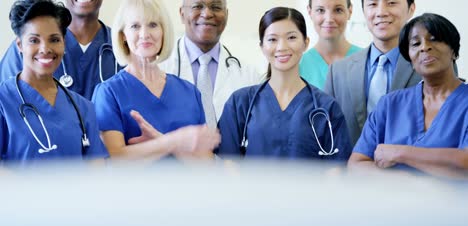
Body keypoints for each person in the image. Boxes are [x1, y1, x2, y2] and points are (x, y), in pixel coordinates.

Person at [216, 7, 352, 161]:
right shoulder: (240, 103)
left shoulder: (326, 108)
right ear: (262, 46)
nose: (282, 47)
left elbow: (335, 169)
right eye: (272, 39)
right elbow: (228, 164)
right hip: (249, 186)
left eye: (291, 37)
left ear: (306, 43)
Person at [91, 0, 220, 160]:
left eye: (153, 25)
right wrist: (173, 142)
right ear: (123, 35)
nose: (145, 34)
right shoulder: (108, 93)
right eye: (135, 26)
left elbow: (206, 164)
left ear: (163, 32)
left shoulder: (189, 92)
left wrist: (162, 142)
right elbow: (114, 160)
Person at [348, 13, 468, 176]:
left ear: (454, 51)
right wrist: (406, 180)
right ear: (410, 60)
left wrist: (399, 153)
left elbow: (465, 163)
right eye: (416, 43)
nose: (424, 47)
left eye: (434, 39)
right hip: (396, 200)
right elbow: (356, 164)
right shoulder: (390, 104)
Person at [0, 0, 108, 163]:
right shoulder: (3, 101)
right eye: (34, 40)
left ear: (64, 42)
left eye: (54, 40)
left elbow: (96, 168)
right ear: (20, 45)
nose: (45, 49)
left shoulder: (83, 108)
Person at [324, 0, 419, 146]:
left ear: (411, 9)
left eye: (392, 3)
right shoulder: (337, 72)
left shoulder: (432, 67)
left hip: (411, 167)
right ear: (363, 11)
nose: (381, 12)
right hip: (350, 167)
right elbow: (327, 135)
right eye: (373, 4)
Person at [158, 0, 260, 128]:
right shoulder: (159, 68)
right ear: (182, 14)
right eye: (197, 6)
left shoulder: (248, 75)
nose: (206, 14)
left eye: (216, 7)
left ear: (226, 15)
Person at [0, 0, 119, 100]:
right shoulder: (27, 49)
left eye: (55, 40)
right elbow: (7, 103)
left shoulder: (122, 47)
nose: (44, 48)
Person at [299, 0, 361, 89]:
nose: (329, 19)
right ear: (310, 12)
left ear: (350, 11)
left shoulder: (367, 61)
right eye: (320, 10)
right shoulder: (298, 65)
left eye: (338, 10)